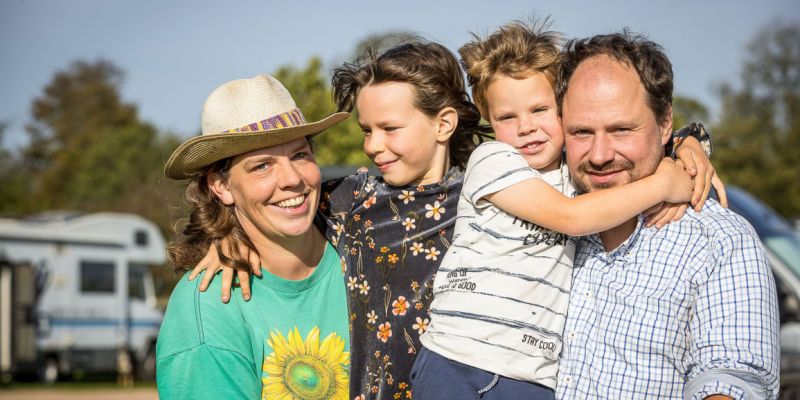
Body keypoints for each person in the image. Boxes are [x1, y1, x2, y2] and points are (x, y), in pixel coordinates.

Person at [191, 39, 721, 400]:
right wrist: (227, 238)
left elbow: (599, 120)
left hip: (502, 374)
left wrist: (688, 141)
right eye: (366, 131)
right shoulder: (354, 199)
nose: (373, 145)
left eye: (390, 128)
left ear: (444, 123)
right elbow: (275, 203)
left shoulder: (490, 183)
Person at [411, 20, 700, 400]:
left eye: (540, 109)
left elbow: (633, 140)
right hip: (456, 358)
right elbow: (571, 218)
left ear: (565, 110)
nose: (526, 127)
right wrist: (664, 183)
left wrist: (687, 146)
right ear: (489, 121)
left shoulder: (580, 175)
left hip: (532, 377)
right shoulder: (492, 161)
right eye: (507, 117)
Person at [554, 31, 780, 399]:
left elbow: (731, 376)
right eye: (581, 132)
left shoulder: (719, 240)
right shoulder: (541, 211)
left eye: (621, 129)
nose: (598, 155)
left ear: (664, 125)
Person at [156, 74, 351, 399]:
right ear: (220, 186)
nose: (292, 179)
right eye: (262, 166)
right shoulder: (209, 308)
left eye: (300, 155)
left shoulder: (365, 246)